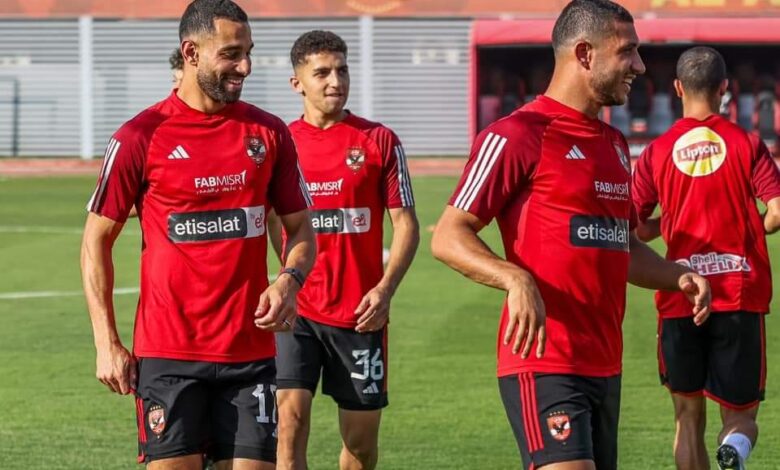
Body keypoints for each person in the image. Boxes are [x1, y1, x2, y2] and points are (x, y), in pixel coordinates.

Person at [430, 1, 712, 469]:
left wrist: (677, 275)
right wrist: (514, 278)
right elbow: (447, 236)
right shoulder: (517, 134)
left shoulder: (614, 145)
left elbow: (623, 245)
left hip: (605, 365)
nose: (640, 66)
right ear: (585, 54)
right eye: (627, 51)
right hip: (544, 360)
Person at [80, 1, 316, 469]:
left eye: (248, 52)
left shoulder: (268, 133)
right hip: (168, 355)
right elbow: (95, 241)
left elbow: (302, 229)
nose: (245, 66)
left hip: (250, 352)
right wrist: (106, 342)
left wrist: (289, 279)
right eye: (231, 54)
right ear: (191, 52)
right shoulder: (139, 136)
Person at [268, 30, 419, 470]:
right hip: (297, 312)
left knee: (361, 445)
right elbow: (270, 219)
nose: (335, 81)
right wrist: (286, 277)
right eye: (322, 73)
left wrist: (386, 290)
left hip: (360, 314)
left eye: (342, 70)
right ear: (297, 83)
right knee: (289, 425)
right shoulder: (281, 143)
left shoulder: (379, 141)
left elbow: (406, 224)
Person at [632, 47, 780, 470]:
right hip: (738, 294)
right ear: (724, 88)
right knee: (740, 416)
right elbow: (776, 212)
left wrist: (667, 221)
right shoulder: (748, 143)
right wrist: (752, 227)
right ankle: (733, 448)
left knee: (687, 417)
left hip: (680, 294)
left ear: (678, 89)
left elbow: (635, 228)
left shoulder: (657, 151)